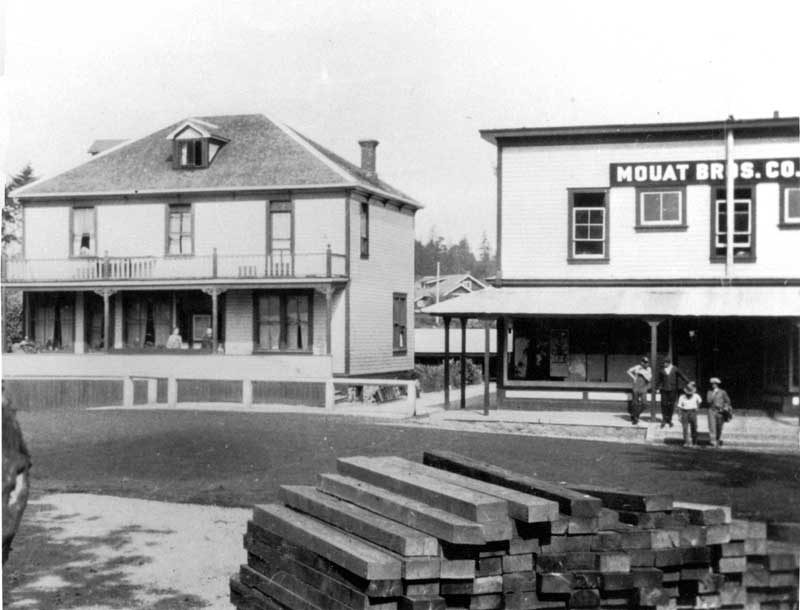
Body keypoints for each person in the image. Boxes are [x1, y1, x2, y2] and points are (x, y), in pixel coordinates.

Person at [657, 357, 689, 428]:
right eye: (663, 363)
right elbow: (659, 380)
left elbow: (682, 375)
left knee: (671, 405)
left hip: (673, 389)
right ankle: (664, 419)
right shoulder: (662, 370)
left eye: (665, 363)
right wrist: (657, 388)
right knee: (664, 404)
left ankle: (669, 419)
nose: (664, 364)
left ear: (669, 363)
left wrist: (688, 381)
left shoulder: (675, 369)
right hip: (664, 390)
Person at [706, 377, 732, 448]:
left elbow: (728, 401)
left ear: (717, 384)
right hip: (711, 410)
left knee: (719, 426)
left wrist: (725, 407)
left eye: (714, 384)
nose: (713, 385)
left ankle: (717, 439)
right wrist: (713, 394)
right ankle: (713, 442)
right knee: (712, 426)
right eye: (712, 384)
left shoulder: (722, 392)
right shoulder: (709, 392)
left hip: (720, 411)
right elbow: (708, 401)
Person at [626, 356, 652, 425]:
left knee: (644, 404)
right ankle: (635, 419)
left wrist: (642, 372)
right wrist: (634, 377)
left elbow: (649, 378)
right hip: (636, 387)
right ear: (642, 362)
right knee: (635, 403)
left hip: (643, 387)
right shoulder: (637, 367)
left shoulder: (649, 369)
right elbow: (628, 371)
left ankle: (635, 414)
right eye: (645, 362)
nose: (646, 364)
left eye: (647, 362)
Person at [676, 381, 702, 447]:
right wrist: (679, 415)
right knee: (685, 428)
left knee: (694, 427)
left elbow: (699, 401)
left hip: (693, 412)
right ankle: (686, 442)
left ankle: (694, 442)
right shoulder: (682, 397)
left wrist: (697, 408)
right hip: (685, 412)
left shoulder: (696, 396)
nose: (689, 394)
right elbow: (679, 407)